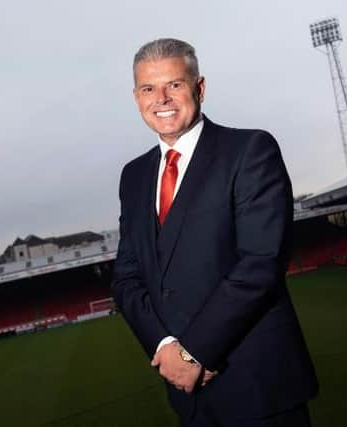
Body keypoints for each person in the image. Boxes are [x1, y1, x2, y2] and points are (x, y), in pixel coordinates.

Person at [111, 38, 318, 427]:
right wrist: (165, 347)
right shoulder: (133, 177)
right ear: (136, 98)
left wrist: (195, 354)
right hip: (188, 398)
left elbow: (259, 263)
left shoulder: (249, 150)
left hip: (258, 387)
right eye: (148, 89)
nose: (162, 98)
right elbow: (126, 276)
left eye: (174, 84)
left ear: (199, 88)